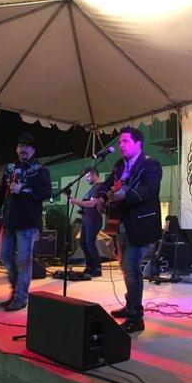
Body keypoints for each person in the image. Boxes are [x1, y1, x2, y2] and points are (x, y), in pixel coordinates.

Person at [96, 126, 163, 333]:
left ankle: (136, 317)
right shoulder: (118, 165)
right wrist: (100, 196)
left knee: (132, 269)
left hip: (140, 223)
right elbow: (107, 184)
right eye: (119, 142)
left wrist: (125, 195)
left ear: (138, 144)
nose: (120, 145)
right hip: (120, 224)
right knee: (126, 269)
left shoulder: (151, 164)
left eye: (125, 141)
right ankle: (130, 305)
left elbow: (149, 190)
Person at [0, 132, 52, 311]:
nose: (23, 148)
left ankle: (20, 297)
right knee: (5, 256)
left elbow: (47, 193)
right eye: (20, 145)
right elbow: (0, 191)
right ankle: (15, 291)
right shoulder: (9, 168)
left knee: (24, 260)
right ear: (16, 149)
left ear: (33, 150)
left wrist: (22, 190)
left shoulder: (41, 170)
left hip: (28, 223)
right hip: (8, 222)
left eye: (27, 145)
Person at [68, 167, 103, 277]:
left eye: (87, 177)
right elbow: (85, 204)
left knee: (90, 244)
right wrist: (72, 198)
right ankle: (89, 266)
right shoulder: (92, 189)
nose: (86, 179)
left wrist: (75, 201)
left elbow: (92, 204)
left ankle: (97, 268)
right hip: (87, 220)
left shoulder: (99, 187)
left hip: (93, 220)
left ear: (94, 174)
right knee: (84, 244)